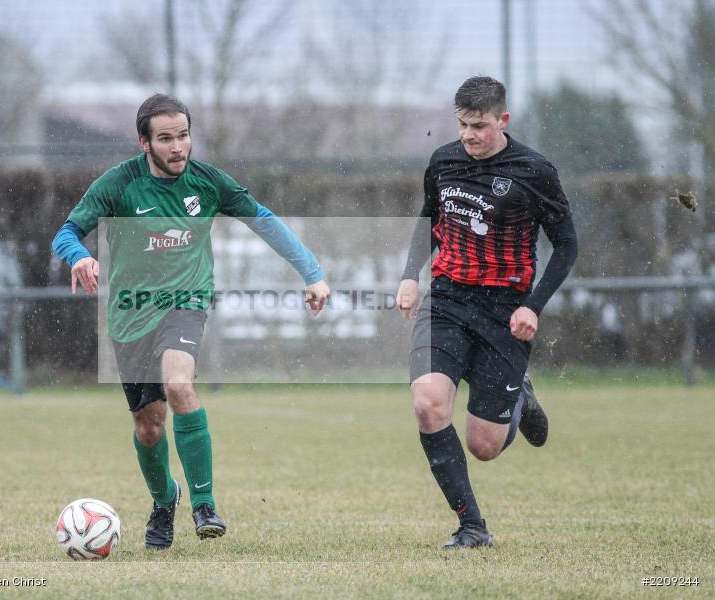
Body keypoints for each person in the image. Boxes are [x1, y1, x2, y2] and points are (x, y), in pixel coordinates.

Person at [52, 93, 330, 550]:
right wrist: (79, 256)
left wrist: (312, 271)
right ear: (144, 142)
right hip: (131, 315)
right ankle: (165, 501)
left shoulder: (207, 182)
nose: (178, 146)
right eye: (166, 138)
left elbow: (262, 219)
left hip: (187, 301)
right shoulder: (118, 184)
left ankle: (205, 503)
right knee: (149, 426)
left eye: (183, 135)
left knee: (179, 385)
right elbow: (66, 232)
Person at [396, 76, 578, 548]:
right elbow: (428, 218)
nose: (469, 135)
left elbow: (566, 245)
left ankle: (520, 398)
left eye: (479, 125)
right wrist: (409, 276)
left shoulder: (533, 170)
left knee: (484, 446)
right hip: (448, 300)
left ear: (503, 120)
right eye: (462, 125)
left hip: (505, 310)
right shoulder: (444, 161)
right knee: (428, 403)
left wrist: (533, 306)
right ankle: (471, 526)